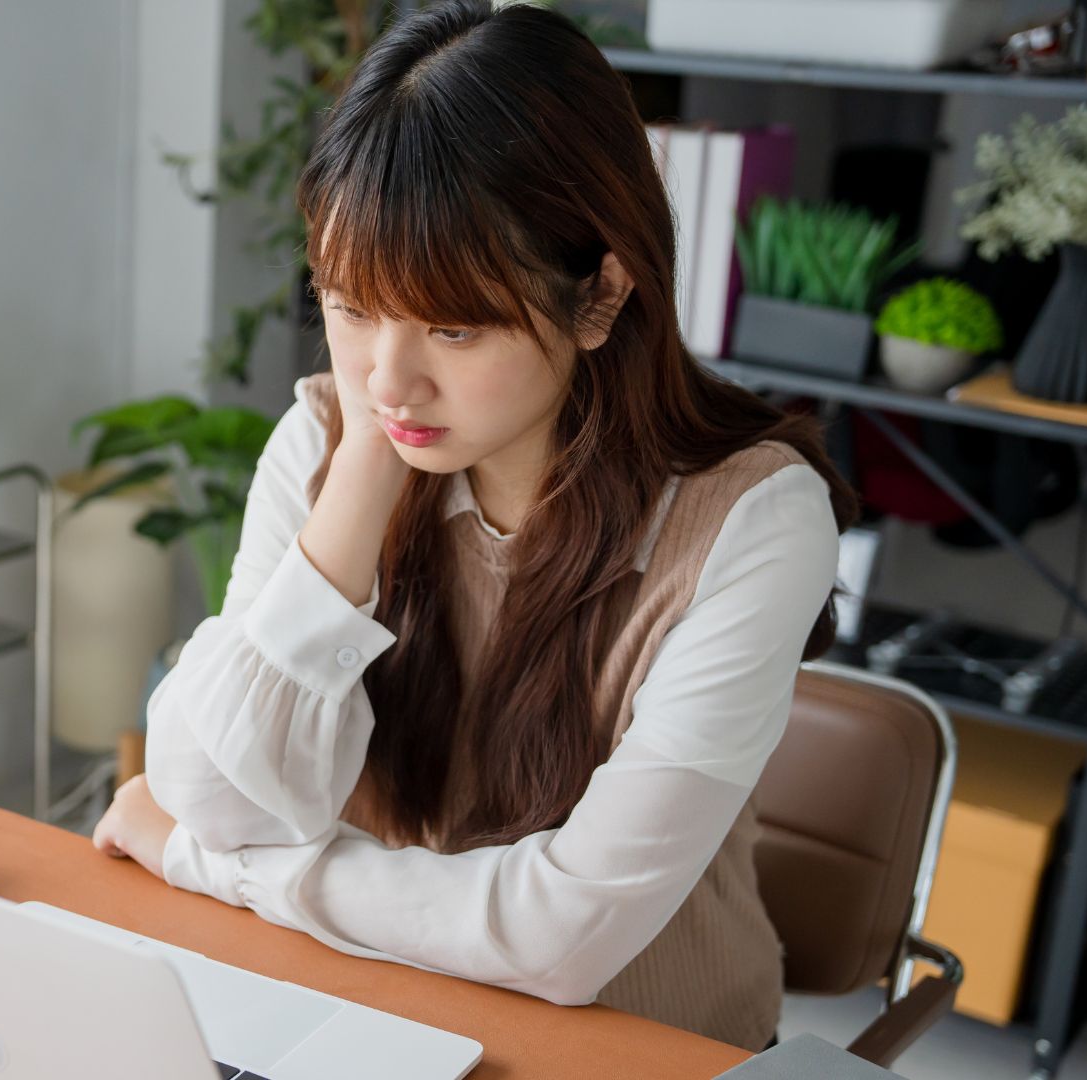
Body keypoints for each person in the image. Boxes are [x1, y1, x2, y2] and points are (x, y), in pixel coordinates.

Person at [92, 0, 855, 1052]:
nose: (388, 378)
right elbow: (216, 793)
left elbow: (565, 940)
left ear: (600, 297)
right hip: (355, 1005)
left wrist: (198, 864)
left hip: (641, 1044)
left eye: (453, 324)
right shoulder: (332, 436)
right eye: (351, 303)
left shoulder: (754, 521)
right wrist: (363, 471)